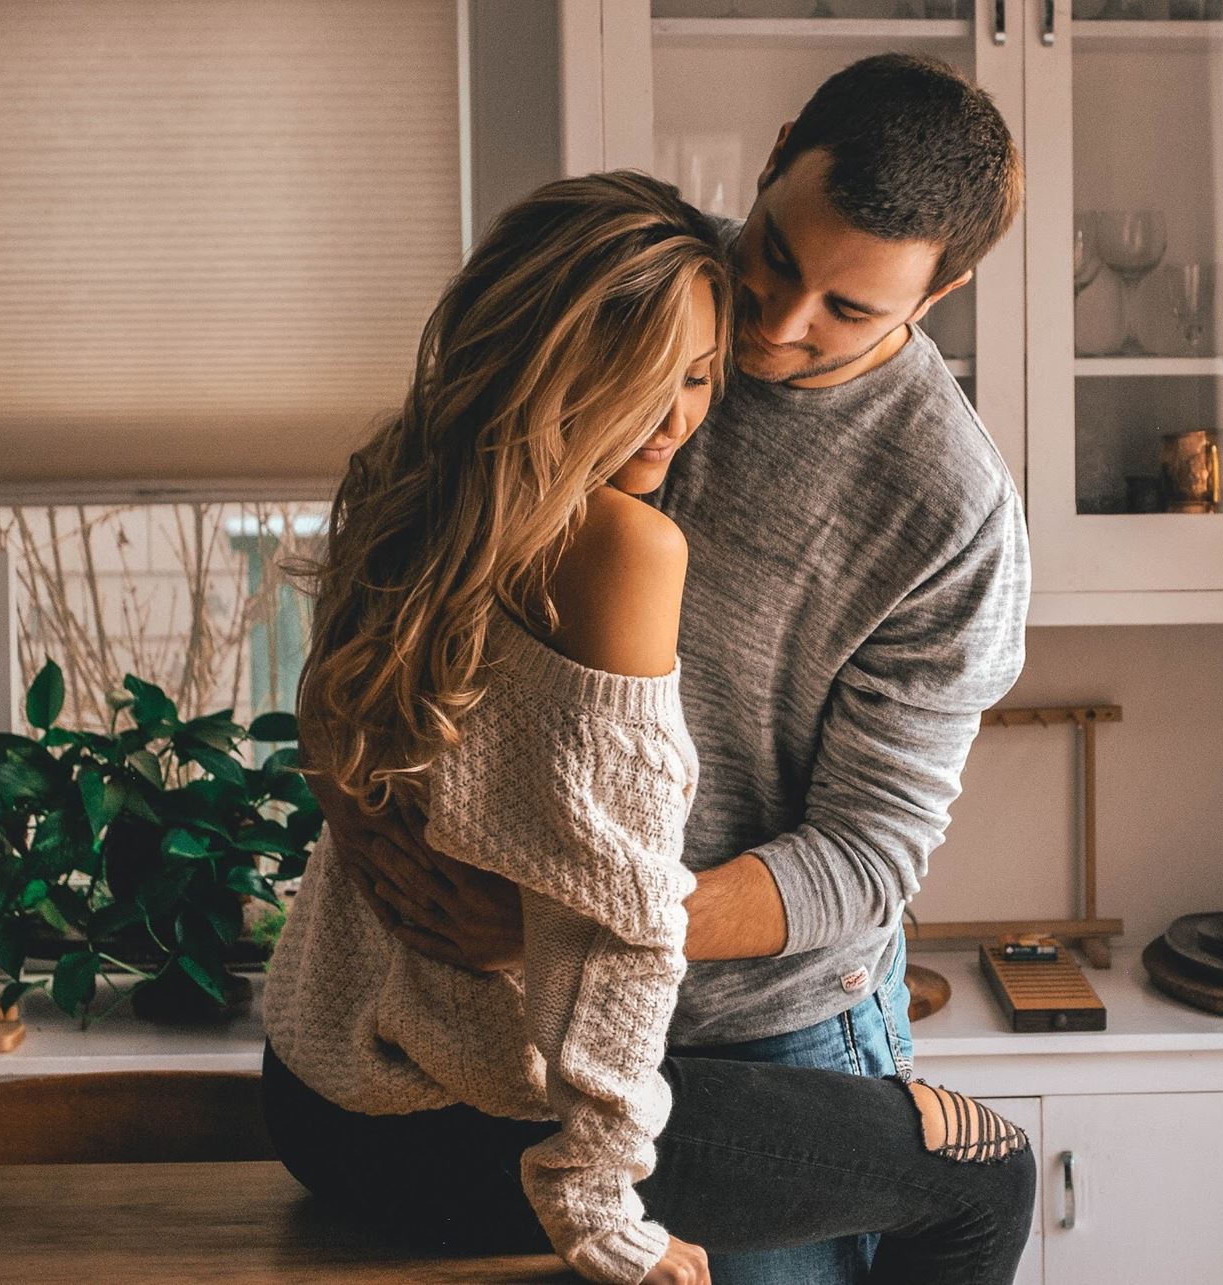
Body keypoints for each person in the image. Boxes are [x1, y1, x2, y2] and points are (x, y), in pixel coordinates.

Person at [320, 53, 1032, 1285]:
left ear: (944, 291)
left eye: (849, 310)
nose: (778, 323)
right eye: (778, 256)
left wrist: (567, 922)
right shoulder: (637, 296)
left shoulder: (950, 509)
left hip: (767, 1036)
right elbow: (409, 547)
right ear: (767, 164)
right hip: (497, 1015)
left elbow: (866, 859)